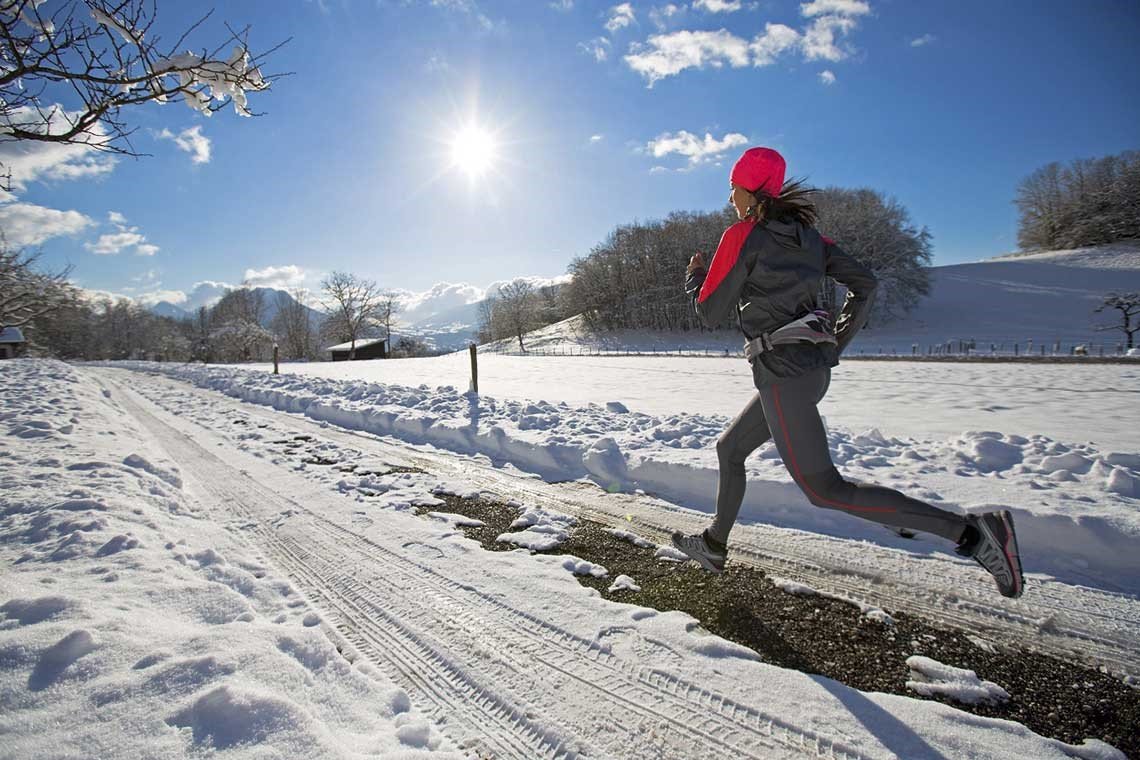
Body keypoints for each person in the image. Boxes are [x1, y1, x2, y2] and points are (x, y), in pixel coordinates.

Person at [670, 146, 1025, 599]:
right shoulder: (811, 239)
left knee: (825, 489)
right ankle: (715, 544)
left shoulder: (742, 235)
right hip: (808, 372)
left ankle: (973, 534)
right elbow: (866, 284)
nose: (730, 198)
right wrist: (835, 342)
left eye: (732, 188)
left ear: (749, 189)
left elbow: (709, 310)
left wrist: (696, 278)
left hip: (782, 374)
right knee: (730, 448)